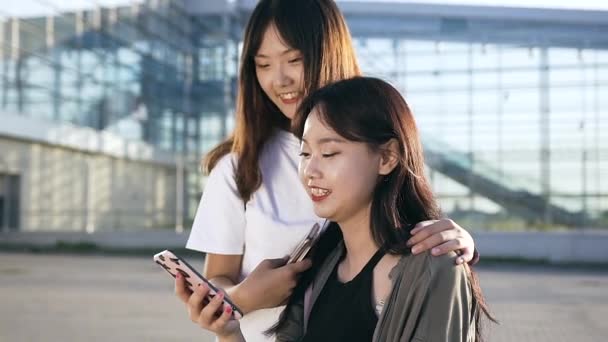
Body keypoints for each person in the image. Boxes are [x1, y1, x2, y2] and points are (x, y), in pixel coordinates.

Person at [177, 1, 478, 341]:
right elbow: (216, 281)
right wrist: (244, 298)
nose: (279, 79)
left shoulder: (373, 140)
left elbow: (409, 219)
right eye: (263, 64)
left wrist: (455, 244)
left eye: (294, 59)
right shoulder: (239, 168)